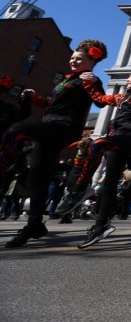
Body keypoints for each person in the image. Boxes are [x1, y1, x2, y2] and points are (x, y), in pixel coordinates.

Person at [0, 40, 108, 248]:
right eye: (72, 57)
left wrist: (95, 81)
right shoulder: (67, 79)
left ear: (91, 62)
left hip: (63, 127)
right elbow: (51, 104)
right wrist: (33, 97)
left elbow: (100, 101)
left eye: (79, 59)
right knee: (36, 178)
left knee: (16, 132)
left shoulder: (87, 80)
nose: (73, 61)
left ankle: (4, 165)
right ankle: (34, 225)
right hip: (48, 126)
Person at [59, 65, 131, 248]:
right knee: (110, 183)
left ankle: (80, 189)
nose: (128, 79)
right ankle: (101, 225)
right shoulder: (121, 97)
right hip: (116, 139)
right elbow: (100, 98)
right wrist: (91, 82)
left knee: (98, 143)